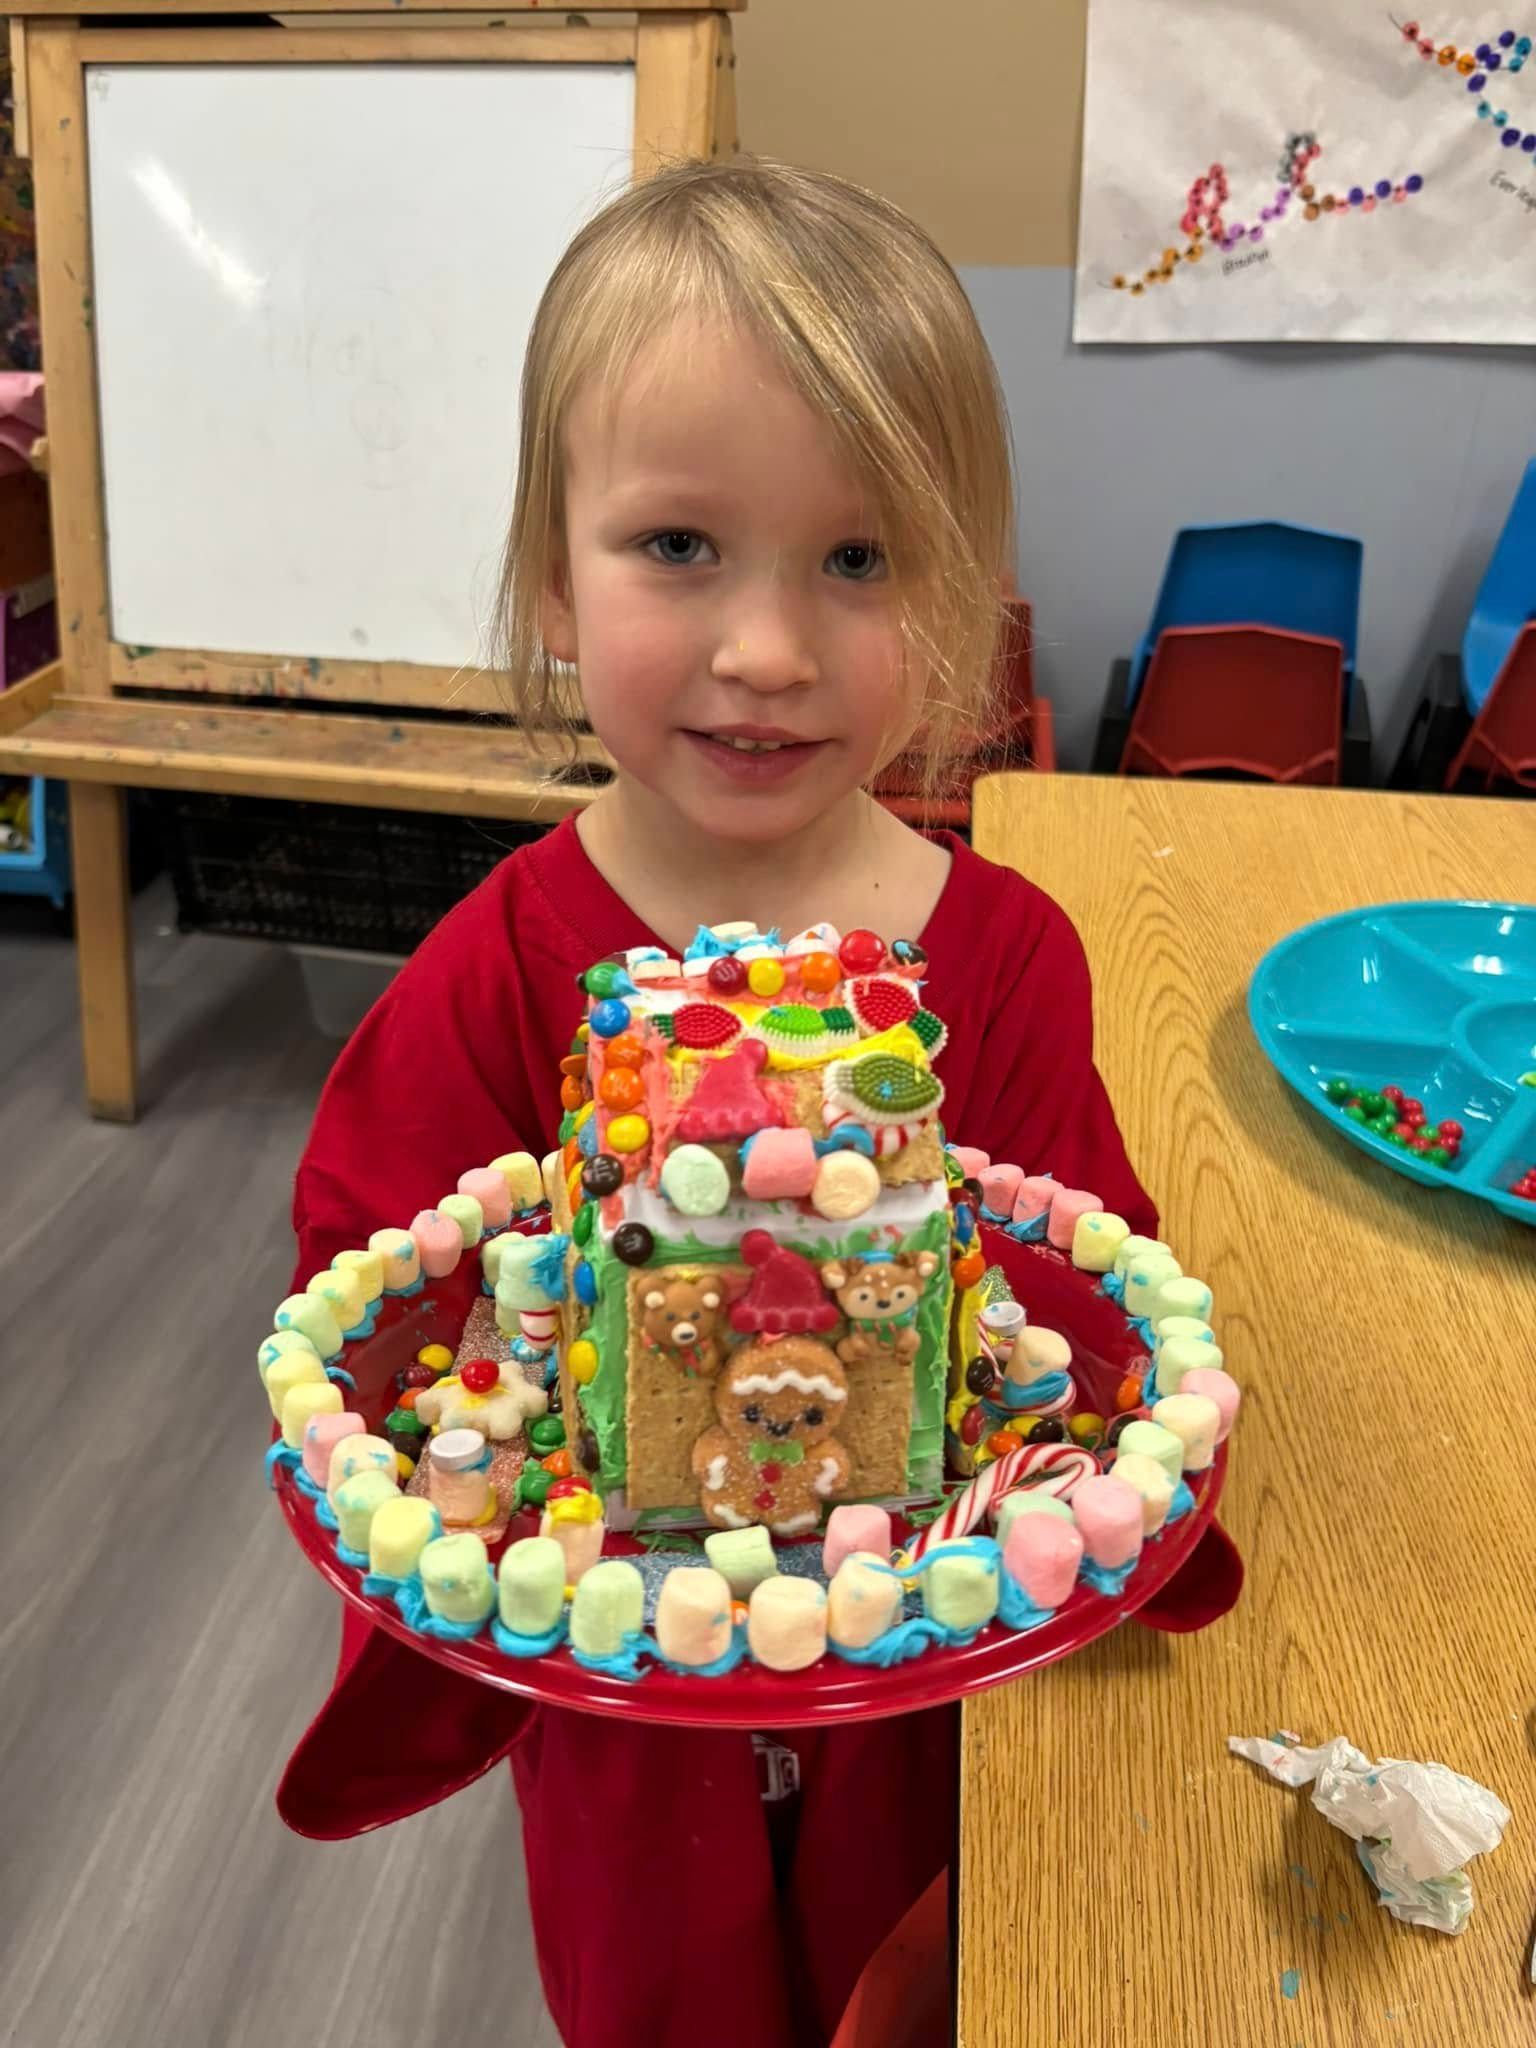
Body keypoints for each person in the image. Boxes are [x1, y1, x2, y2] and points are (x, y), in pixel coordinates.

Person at [283, 156, 1154, 2048]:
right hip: (621, 1692)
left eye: (859, 560)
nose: (766, 650)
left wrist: (1082, 1461)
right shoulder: (504, 970)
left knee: (909, 1990)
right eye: (680, 547)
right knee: (658, 2002)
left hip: (913, 1670)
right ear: (549, 569)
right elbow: (378, 1302)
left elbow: (1079, 1307)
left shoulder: (994, 961)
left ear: (959, 596)